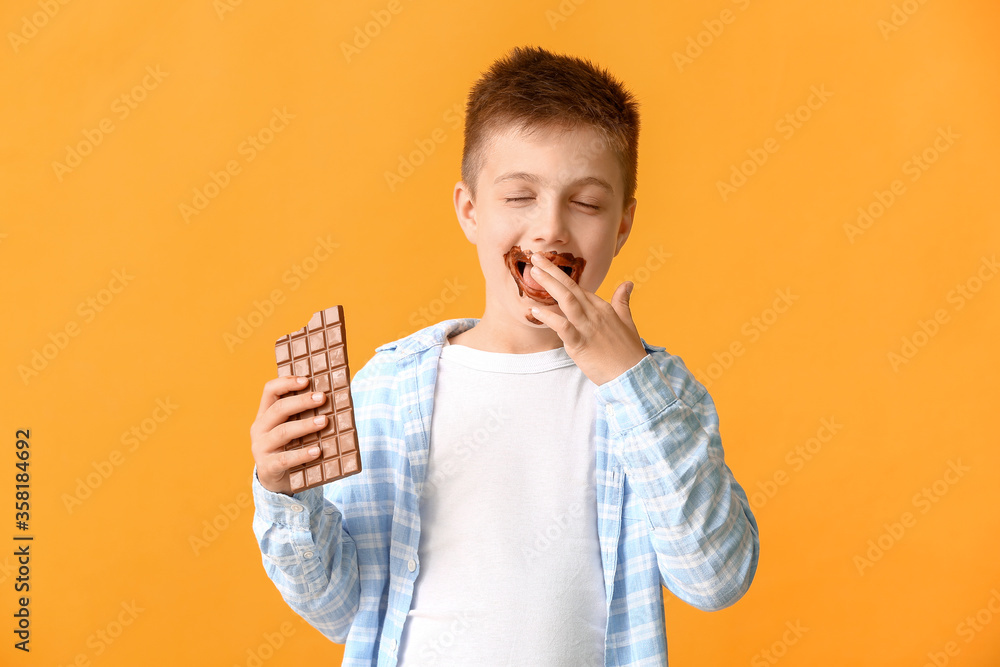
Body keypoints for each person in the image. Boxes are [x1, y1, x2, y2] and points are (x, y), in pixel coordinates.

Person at [250, 44, 760, 666]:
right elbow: (340, 610)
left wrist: (629, 381)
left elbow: (715, 579)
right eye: (520, 196)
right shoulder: (387, 389)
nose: (550, 229)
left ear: (623, 226)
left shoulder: (656, 394)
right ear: (470, 211)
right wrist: (288, 495)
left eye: (587, 203)